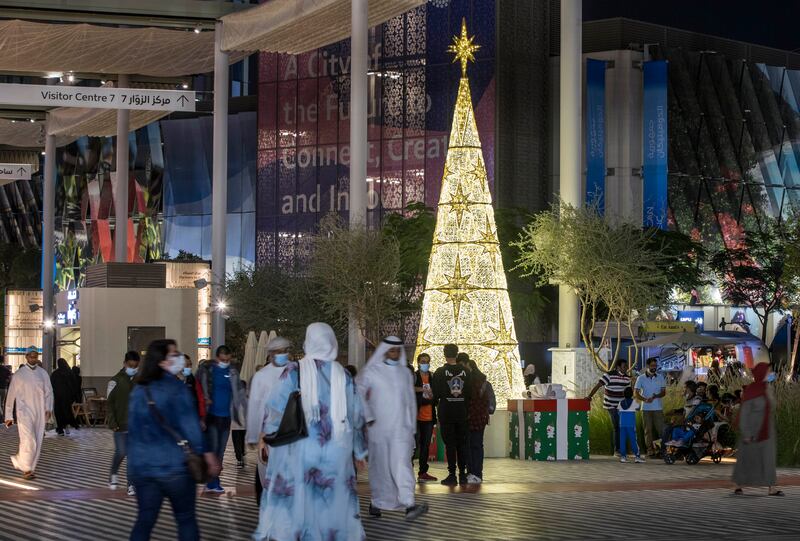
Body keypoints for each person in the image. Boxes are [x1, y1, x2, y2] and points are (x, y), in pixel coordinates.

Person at [253, 322, 367, 541]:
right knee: (332, 502)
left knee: (301, 500)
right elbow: (356, 417)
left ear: (308, 342)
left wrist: (264, 437)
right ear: (331, 342)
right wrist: (359, 452)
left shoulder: (294, 371)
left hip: (300, 451)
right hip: (337, 453)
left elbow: (274, 407)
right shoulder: (342, 375)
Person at [128, 339, 220, 541]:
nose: (179, 357)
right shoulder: (177, 388)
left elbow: (133, 431)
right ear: (161, 361)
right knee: (186, 519)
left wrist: (133, 467)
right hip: (175, 467)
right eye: (174, 354)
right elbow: (190, 425)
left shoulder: (138, 390)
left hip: (143, 468)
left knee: (144, 520)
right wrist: (207, 453)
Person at [358, 336, 428, 521]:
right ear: (384, 351)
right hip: (378, 430)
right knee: (380, 468)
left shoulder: (406, 373)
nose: (395, 353)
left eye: (398, 350)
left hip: (401, 430)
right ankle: (376, 502)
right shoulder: (372, 371)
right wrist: (368, 416)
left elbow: (410, 402)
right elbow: (357, 393)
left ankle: (409, 503)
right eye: (391, 350)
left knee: (402, 465)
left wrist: (412, 428)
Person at [246, 336, 291, 509]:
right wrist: (253, 436)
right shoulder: (261, 376)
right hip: (270, 436)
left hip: (293, 435)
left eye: (284, 351)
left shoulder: (296, 372)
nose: (281, 355)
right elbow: (256, 408)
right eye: (278, 352)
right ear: (270, 354)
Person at [196, 344, 243, 494]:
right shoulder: (208, 370)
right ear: (217, 358)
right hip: (212, 416)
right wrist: (205, 400)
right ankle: (212, 481)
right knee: (214, 449)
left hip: (226, 417)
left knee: (221, 451)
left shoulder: (233, 371)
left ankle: (214, 480)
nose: (226, 362)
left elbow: (237, 392)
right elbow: (199, 389)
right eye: (223, 359)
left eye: (228, 360)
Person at [3, 347, 53, 479]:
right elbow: (11, 396)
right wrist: (8, 416)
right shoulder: (19, 374)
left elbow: (49, 393)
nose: (33, 358)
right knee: (28, 440)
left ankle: (29, 467)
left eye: (35, 356)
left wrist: (48, 408)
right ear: (26, 357)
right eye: (31, 356)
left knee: (37, 440)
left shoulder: (43, 373)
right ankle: (26, 468)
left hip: (39, 412)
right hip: (24, 412)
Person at [733, 363, 782, 496]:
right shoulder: (751, 390)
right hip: (752, 430)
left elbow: (772, 406)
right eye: (768, 372)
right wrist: (746, 433)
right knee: (746, 458)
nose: (770, 374)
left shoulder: (768, 388)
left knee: (768, 458)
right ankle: (739, 485)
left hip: (766, 430)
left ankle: (771, 487)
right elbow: (744, 412)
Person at [432, 343, 471, 486]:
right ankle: (463, 475)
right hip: (462, 412)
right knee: (461, 444)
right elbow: (470, 393)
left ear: (444, 354)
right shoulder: (466, 371)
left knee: (450, 445)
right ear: (457, 353)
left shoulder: (440, 372)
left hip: (446, 412)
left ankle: (452, 474)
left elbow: (435, 394)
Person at [107, 350, 141, 495]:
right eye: (130, 365)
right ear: (124, 364)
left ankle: (131, 484)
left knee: (133, 456)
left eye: (135, 366)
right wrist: (112, 422)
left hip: (136, 425)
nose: (133, 368)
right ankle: (113, 473)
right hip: (120, 424)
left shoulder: (140, 381)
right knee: (121, 452)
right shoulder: (115, 380)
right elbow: (109, 403)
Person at [586, 359, 630, 456]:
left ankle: (620, 448)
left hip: (621, 406)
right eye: (624, 366)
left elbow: (627, 392)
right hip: (611, 405)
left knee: (622, 427)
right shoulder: (609, 375)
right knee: (617, 426)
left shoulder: (627, 378)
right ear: (618, 367)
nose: (626, 368)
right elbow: (598, 386)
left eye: (626, 366)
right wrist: (590, 396)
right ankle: (617, 450)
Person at [465, 358, 495, 483]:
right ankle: (477, 473)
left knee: (470, 445)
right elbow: (492, 406)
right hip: (480, 419)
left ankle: (472, 472)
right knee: (477, 445)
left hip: (469, 419)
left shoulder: (469, 383)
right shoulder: (485, 383)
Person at [634, 358, 666, 457]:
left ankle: (663, 449)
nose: (654, 368)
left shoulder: (660, 377)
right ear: (647, 366)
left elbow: (663, 392)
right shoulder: (641, 378)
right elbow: (636, 393)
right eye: (652, 366)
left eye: (655, 366)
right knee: (648, 430)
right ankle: (650, 450)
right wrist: (645, 399)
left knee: (661, 430)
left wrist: (656, 396)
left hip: (658, 408)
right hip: (646, 408)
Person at [414, 353, 437, 483]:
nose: (425, 364)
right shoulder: (414, 376)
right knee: (414, 445)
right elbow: (408, 388)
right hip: (416, 416)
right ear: (418, 362)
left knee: (425, 446)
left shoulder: (432, 377)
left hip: (429, 417)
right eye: (423, 361)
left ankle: (423, 472)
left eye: (427, 361)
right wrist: (423, 390)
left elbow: (436, 392)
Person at [50, 358, 78, 435]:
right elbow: (74, 385)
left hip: (58, 397)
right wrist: (73, 396)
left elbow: (51, 384)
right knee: (66, 411)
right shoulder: (69, 372)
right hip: (67, 398)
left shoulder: (55, 374)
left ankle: (60, 429)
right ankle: (67, 426)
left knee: (59, 412)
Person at [617, 387, 645, 463]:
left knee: (622, 440)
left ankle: (623, 457)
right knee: (633, 440)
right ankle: (637, 456)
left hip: (622, 424)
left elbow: (618, 412)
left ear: (623, 394)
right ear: (632, 394)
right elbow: (638, 408)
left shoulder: (620, 402)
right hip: (631, 425)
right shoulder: (634, 402)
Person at [231, 378, 248, 469]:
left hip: (237, 426)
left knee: (239, 443)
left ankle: (240, 458)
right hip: (239, 426)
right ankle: (240, 457)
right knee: (240, 442)